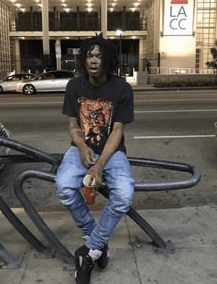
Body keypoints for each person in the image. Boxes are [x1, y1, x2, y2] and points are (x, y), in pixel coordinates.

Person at [55, 33, 135, 284]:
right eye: (90, 55)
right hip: (80, 149)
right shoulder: (74, 86)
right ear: (83, 58)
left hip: (112, 152)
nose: (94, 60)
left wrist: (100, 164)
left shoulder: (121, 88)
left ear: (108, 60)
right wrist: (81, 146)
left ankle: (89, 251)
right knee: (64, 186)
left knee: (123, 194)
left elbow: (118, 130)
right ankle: (97, 242)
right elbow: (73, 126)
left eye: (100, 56)